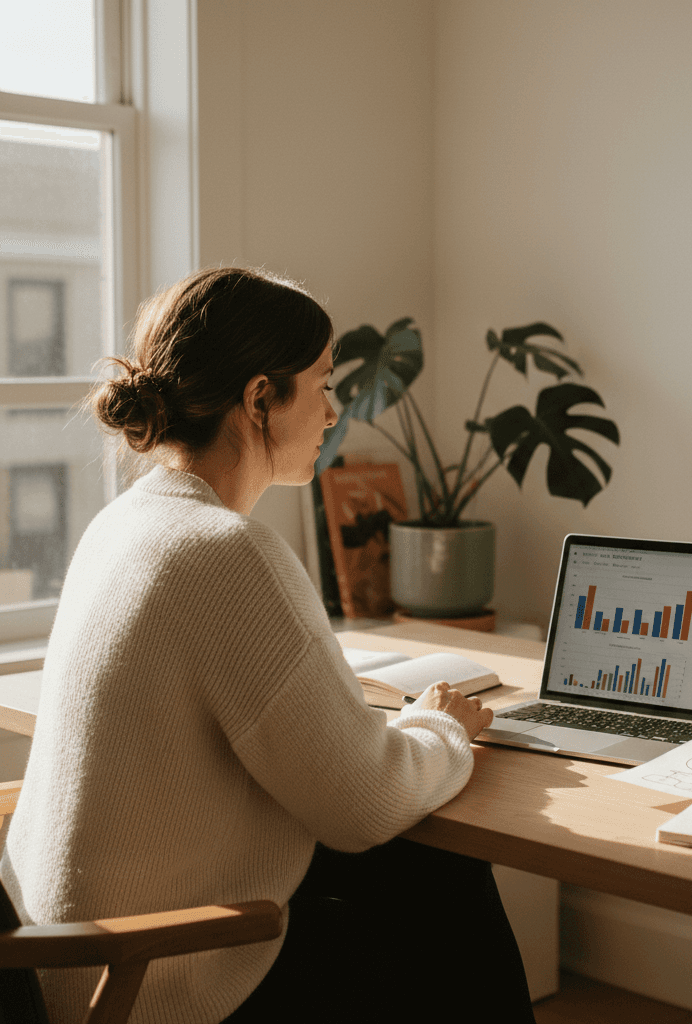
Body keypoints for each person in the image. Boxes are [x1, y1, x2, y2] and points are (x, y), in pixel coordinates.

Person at [0, 267, 536, 1023]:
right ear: (259, 400)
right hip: (137, 981)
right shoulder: (224, 550)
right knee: (442, 879)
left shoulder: (123, 523)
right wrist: (442, 724)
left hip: (51, 962)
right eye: (321, 384)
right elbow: (364, 802)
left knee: (408, 871)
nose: (333, 409)